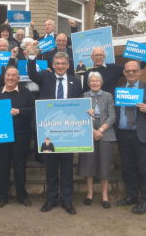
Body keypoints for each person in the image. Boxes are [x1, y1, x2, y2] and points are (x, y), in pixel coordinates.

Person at [27, 43, 83, 215]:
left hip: (68, 132)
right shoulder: (46, 77)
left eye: (63, 64)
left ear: (67, 65)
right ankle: (51, 199)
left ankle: (67, 200)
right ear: (53, 65)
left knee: (66, 167)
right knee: (50, 166)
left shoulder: (75, 82)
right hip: (48, 132)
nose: (60, 66)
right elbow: (32, 74)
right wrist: (31, 56)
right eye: (57, 63)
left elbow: (80, 105)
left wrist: (85, 112)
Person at [115, 61, 146, 214]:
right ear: (124, 72)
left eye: (134, 71)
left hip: (142, 135)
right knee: (128, 168)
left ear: (140, 72)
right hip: (123, 135)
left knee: (144, 169)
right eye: (128, 71)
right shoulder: (119, 90)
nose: (131, 73)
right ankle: (132, 196)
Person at [0, 66, 35, 208]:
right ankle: (2, 198)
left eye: (13, 76)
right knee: (2, 168)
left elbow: (32, 110)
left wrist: (19, 111)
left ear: (18, 78)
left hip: (21, 136)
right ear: (4, 77)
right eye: (8, 75)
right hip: (2, 137)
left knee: (20, 167)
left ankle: (22, 197)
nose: (10, 78)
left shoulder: (26, 92)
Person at [77, 71, 116, 209]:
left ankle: (104, 195)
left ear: (101, 83)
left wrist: (100, 131)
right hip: (88, 133)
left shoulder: (108, 96)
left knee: (104, 165)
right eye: (92, 81)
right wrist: (92, 131)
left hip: (106, 133)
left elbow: (112, 116)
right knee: (89, 164)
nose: (94, 83)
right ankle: (89, 193)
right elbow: (80, 116)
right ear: (88, 83)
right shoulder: (84, 96)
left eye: (97, 81)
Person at [82, 47, 146, 95]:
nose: (98, 57)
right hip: (93, 106)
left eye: (101, 55)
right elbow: (85, 92)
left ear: (104, 57)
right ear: (92, 57)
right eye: (96, 55)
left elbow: (131, 71)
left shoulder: (113, 68)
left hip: (111, 106)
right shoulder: (87, 73)